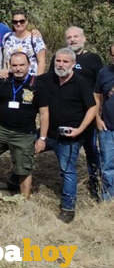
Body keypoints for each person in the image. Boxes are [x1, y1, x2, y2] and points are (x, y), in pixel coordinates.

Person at [37, 48, 97, 223]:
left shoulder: (81, 82)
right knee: (24, 151)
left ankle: (68, 208)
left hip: (70, 136)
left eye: (65, 62)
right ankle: (15, 182)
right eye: (58, 61)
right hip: (48, 133)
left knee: (67, 170)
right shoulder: (47, 80)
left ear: (72, 64)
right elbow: (27, 79)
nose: (61, 64)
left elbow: (92, 108)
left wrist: (80, 130)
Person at [0, 52, 45, 199]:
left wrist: (42, 138)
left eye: (22, 65)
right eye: (15, 65)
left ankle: (24, 200)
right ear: (10, 66)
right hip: (1, 130)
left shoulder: (37, 84)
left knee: (23, 168)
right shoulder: (3, 81)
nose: (18, 68)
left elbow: (44, 113)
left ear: (29, 65)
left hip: (24, 134)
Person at [66, 25, 103, 200]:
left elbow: (100, 87)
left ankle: (96, 182)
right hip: (67, 113)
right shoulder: (62, 58)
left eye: (76, 36)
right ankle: (67, 182)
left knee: (91, 149)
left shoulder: (93, 59)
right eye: (69, 37)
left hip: (88, 112)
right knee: (68, 150)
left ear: (84, 38)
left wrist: (98, 114)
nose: (72, 39)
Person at [94, 44, 114, 201]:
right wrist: (97, 119)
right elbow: (97, 96)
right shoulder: (104, 72)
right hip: (108, 127)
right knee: (107, 165)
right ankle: (108, 199)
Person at [1, 10, 47, 76]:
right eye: (15, 22)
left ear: (26, 22)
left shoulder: (35, 38)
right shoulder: (7, 37)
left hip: (30, 79)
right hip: (11, 79)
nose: (18, 24)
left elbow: (41, 62)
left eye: (21, 21)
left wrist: (38, 81)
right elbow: (5, 59)